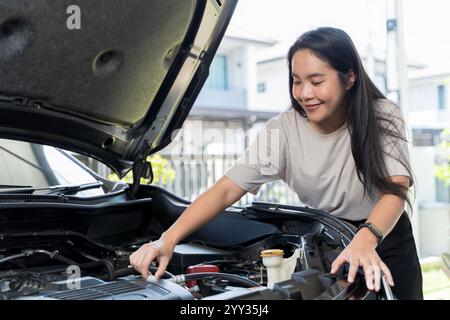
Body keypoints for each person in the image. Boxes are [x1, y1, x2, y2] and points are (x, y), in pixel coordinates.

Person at [130, 27, 423, 300]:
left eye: (317, 81)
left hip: (384, 234)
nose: (304, 93)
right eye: (296, 81)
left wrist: (367, 237)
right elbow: (225, 191)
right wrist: (166, 239)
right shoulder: (281, 131)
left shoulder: (382, 116)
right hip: (327, 241)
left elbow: (396, 190)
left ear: (349, 78)